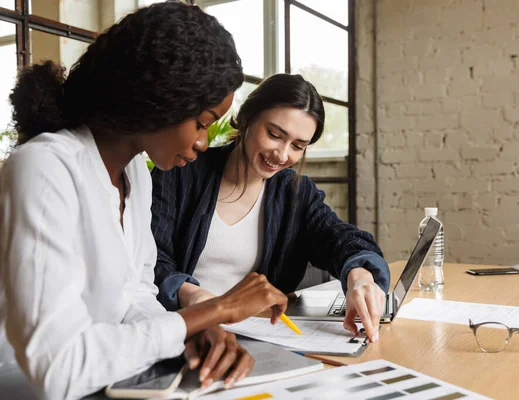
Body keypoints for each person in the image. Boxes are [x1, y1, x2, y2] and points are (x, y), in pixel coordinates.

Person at [0, 3, 289, 399]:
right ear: (162, 98)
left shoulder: (136, 174)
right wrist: (212, 311)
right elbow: (57, 370)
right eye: (202, 123)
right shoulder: (44, 167)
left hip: (109, 385)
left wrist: (192, 332)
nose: (203, 142)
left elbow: (134, 296)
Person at [151, 74, 390, 343]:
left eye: (298, 146)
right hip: (185, 331)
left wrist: (359, 275)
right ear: (247, 118)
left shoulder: (295, 194)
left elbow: (337, 237)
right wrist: (192, 295)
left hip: (259, 335)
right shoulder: (181, 173)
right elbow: (149, 255)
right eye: (274, 135)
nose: (282, 155)